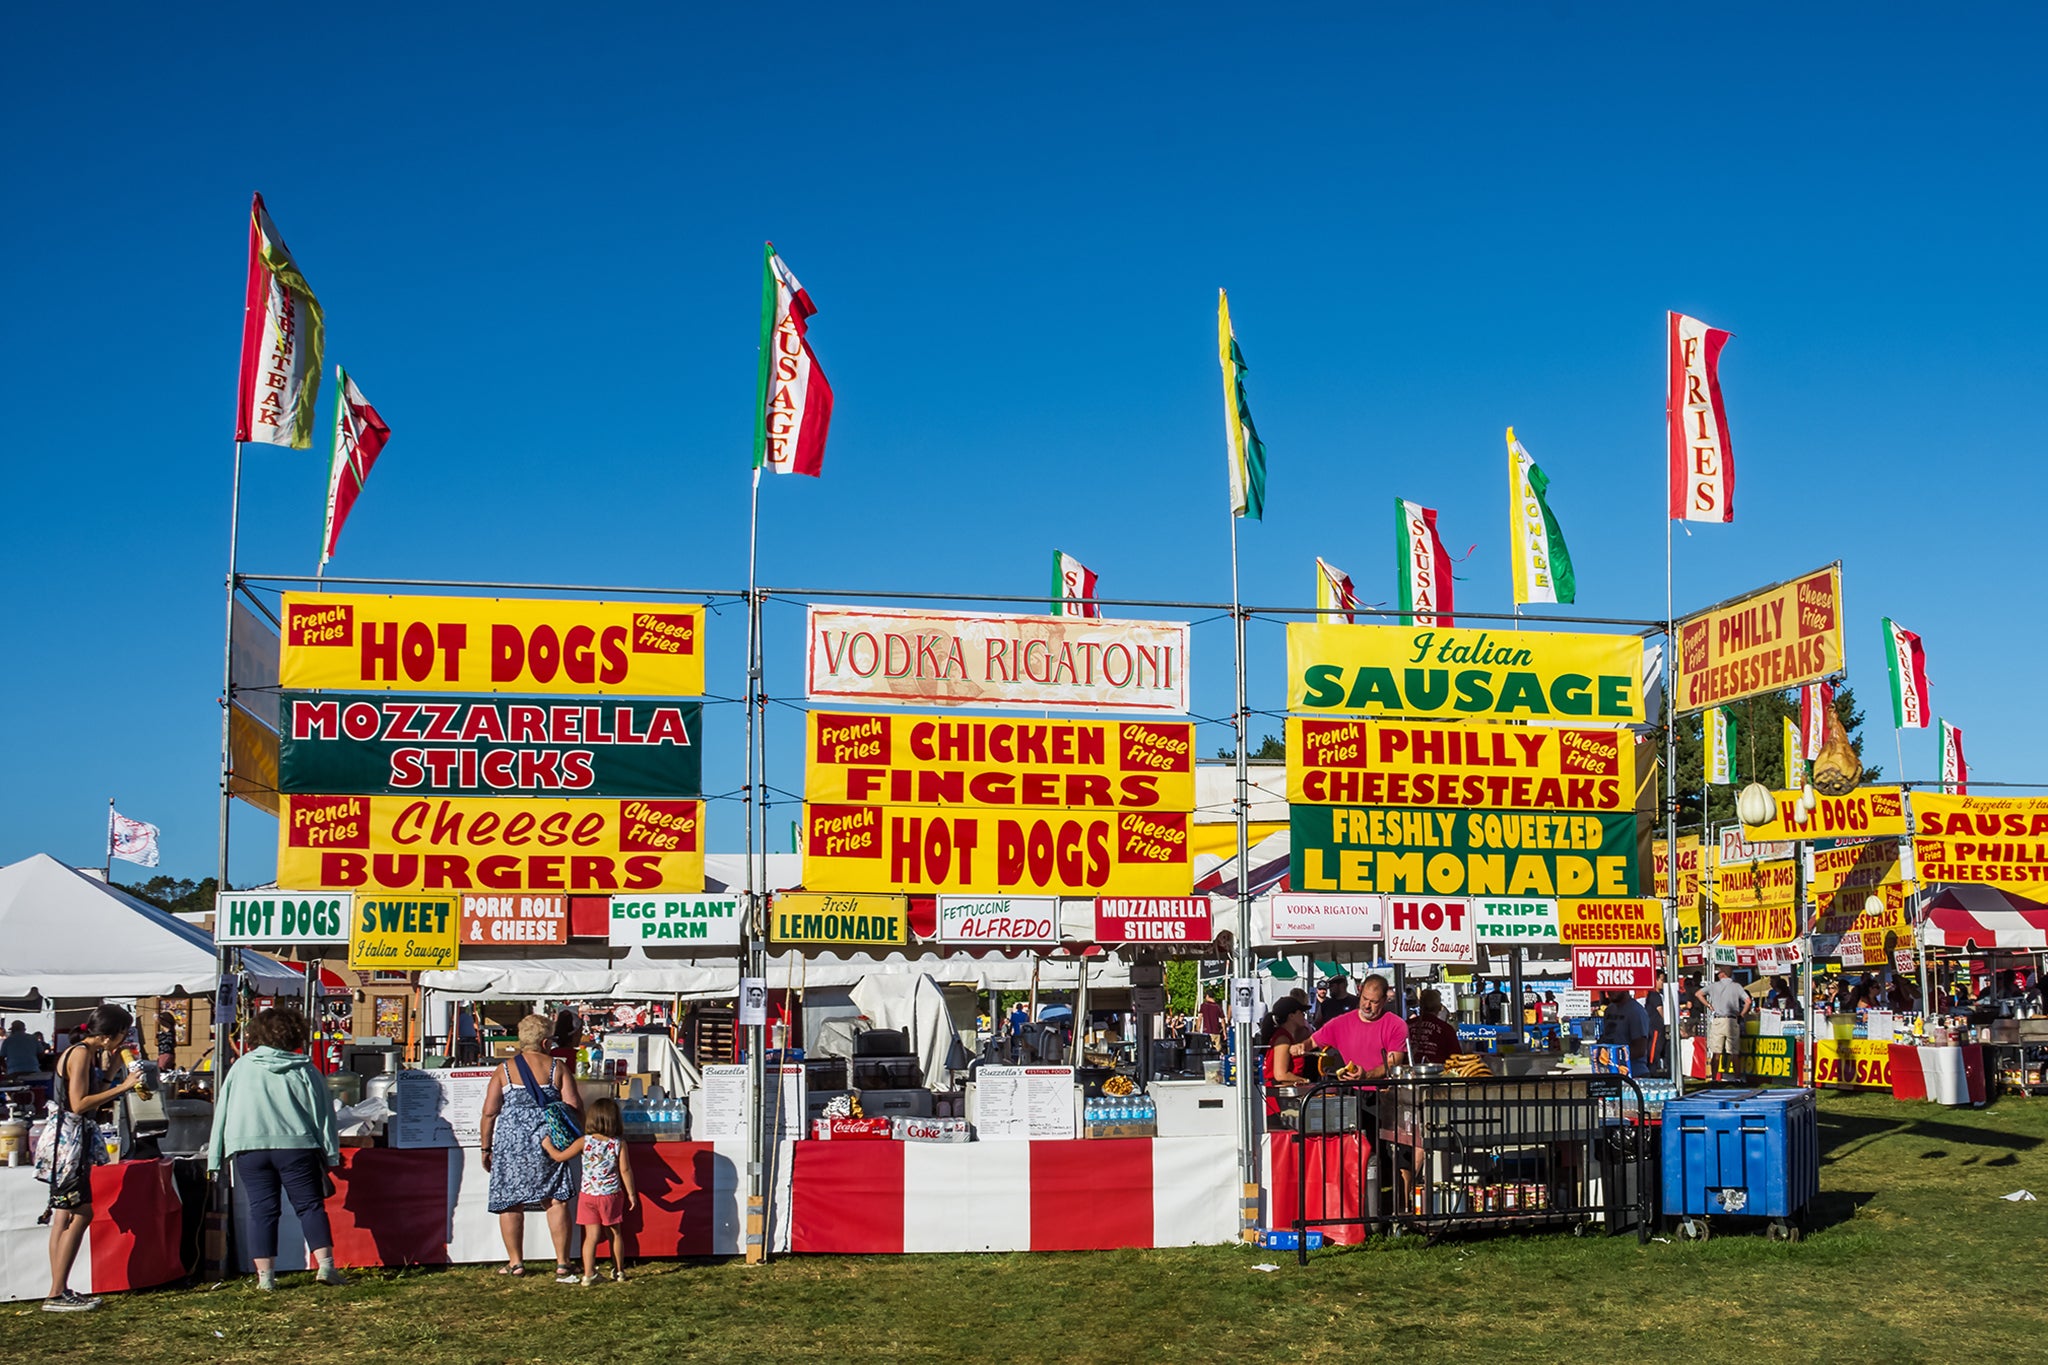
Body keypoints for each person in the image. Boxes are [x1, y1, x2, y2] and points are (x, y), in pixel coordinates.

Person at [207, 1007, 347, 1290]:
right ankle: (326, 1267)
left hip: (248, 1146)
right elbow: (323, 1114)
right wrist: (331, 1152)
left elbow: (222, 1110)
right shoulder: (306, 1068)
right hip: (297, 1145)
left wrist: (215, 1156)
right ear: (296, 1034)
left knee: (262, 1211)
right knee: (309, 1206)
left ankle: (266, 1278)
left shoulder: (242, 1067)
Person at [39, 1004, 143, 1311]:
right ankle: (57, 1293)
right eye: (124, 1034)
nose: (124, 1040)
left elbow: (89, 1096)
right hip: (69, 1141)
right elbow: (80, 1102)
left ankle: (58, 1289)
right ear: (114, 1033)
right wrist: (124, 1087)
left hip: (67, 1140)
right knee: (81, 1212)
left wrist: (111, 1074)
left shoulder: (85, 1052)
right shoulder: (81, 1053)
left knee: (63, 1214)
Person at [481, 1014, 584, 1280]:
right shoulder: (557, 1068)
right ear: (546, 1041)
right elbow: (573, 1106)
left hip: (510, 1143)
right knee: (555, 1199)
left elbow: (490, 1112)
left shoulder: (504, 1070)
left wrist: (485, 1147)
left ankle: (516, 1262)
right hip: (547, 1140)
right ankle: (562, 1262)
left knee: (510, 1202)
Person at [543, 1096, 638, 1285]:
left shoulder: (583, 1142)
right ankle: (619, 1271)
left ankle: (588, 1274)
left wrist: (547, 1145)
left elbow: (560, 1157)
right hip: (611, 1194)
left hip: (588, 1195)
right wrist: (631, 1194)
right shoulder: (618, 1143)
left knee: (591, 1236)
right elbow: (625, 1170)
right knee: (615, 1233)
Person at [1310, 975, 1409, 1080]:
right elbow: (1312, 1042)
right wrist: (1297, 1047)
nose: (1367, 1006)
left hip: (1381, 1090)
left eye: (1374, 1002)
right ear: (1360, 993)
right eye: (1365, 999)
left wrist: (1367, 1075)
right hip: (1349, 1089)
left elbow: (1393, 1063)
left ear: (1384, 1001)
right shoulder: (1341, 1020)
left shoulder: (1396, 1025)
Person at [1694, 967, 1752, 1082]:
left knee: (1716, 1052)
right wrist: (1742, 1014)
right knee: (1734, 1052)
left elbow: (1698, 994)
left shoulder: (1713, 986)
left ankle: (1715, 1079)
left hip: (1718, 1020)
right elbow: (1748, 1001)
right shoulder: (1737, 986)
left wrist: (1708, 1005)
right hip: (1732, 1020)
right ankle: (1737, 1078)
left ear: (1722, 974)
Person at [1597, 991, 1654, 1074]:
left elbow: (1640, 1049)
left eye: (1616, 987)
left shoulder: (1636, 1011)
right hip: (1612, 1071)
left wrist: (1615, 1056)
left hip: (1634, 1072)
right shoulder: (1609, 1010)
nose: (1611, 991)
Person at [1406, 989, 1463, 1064]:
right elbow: (1457, 1057)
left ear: (1420, 1005)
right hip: (1438, 1072)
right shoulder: (1445, 1029)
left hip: (1409, 1071)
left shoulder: (1407, 1025)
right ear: (1439, 1007)